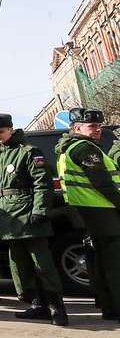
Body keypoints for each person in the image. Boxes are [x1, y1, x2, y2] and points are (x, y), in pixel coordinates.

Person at [0, 113, 66, 325]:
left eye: (0, 132)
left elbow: (42, 183)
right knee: (19, 265)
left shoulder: (28, 152)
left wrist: (39, 210)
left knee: (42, 262)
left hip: (29, 213)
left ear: (10, 129)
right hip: (8, 217)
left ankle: (56, 306)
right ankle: (37, 303)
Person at [55, 108, 120, 323]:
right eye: (92, 126)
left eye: (99, 126)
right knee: (114, 264)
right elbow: (102, 183)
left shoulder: (68, 149)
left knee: (99, 263)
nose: (98, 130)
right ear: (77, 128)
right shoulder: (84, 149)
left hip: (88, 212)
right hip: (102, 211)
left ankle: (109, 307)